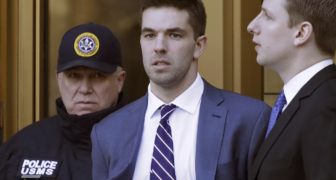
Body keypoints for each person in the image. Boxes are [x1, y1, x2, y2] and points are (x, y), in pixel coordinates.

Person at [91, 0, 271, 180]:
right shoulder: (107, 133)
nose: (159, 47)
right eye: (150, 35)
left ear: (199, 46)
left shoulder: (249, 120)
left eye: (174, 35)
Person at [247, 0, 336, 179]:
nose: (251, 26)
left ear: (301, 33)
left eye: (268, 16)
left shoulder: (330, 110)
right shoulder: (304, 102)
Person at [0, 23, 127, 180]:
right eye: (74, 76)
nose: (84, 89)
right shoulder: (23, 147)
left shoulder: (148, 144)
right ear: (59, 79)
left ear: (119, 81)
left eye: (97, 76)